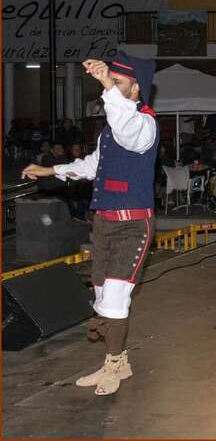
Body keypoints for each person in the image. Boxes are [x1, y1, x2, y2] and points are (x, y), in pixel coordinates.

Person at [22, 52, 158, 396]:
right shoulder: (111, 129)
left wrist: (106, 83)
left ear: (135, 88)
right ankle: (119, 361)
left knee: (114, 299)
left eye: (118, 82)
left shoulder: (144, 124)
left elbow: (126, 128)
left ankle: (113, 365)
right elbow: (91, 166)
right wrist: (49, 170)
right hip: (104, 224)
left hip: (132, 225)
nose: (108, 88)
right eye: (110, 82)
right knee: (100, 294)